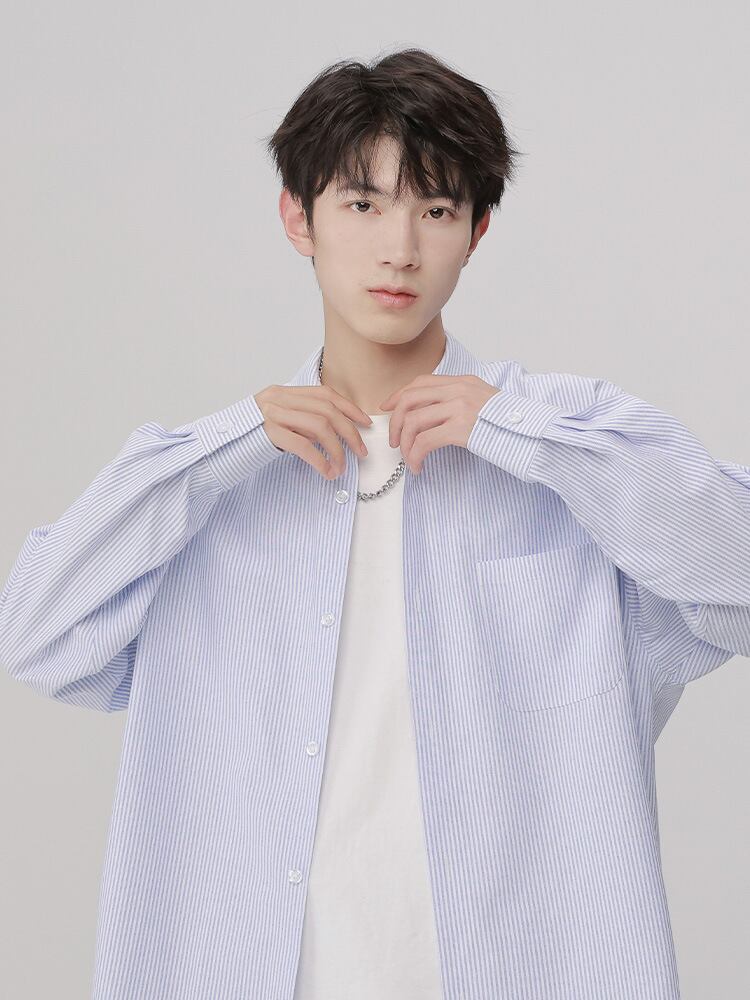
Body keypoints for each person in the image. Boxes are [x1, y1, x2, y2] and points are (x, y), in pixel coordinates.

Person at [1, 46, 748, 1000]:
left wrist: (520, 434)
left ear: (476, 232)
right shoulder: (212, 485)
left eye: (435, 210)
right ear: (297, 218)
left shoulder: (568, 445)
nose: (399, 249)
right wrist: (225, 445)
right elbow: (35, 635)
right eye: (362, 204)